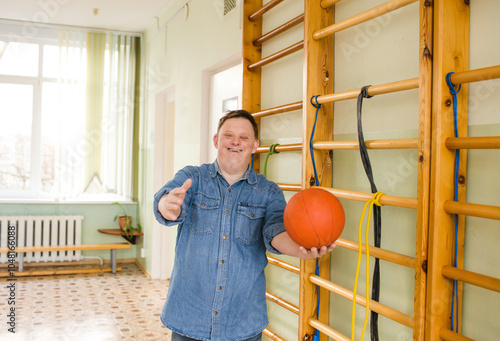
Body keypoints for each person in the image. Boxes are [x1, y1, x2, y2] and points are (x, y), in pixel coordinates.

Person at [154, 110, 336, 341]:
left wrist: (303, 249)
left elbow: (276, 233)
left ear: (255, 144)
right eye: (228, 135)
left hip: (242, 323)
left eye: (244, 137)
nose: (236, 141)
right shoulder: (193, 177)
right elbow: (166, 199)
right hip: (189, 319)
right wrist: (167, 205)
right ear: (216, 140)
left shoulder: (268, 192)